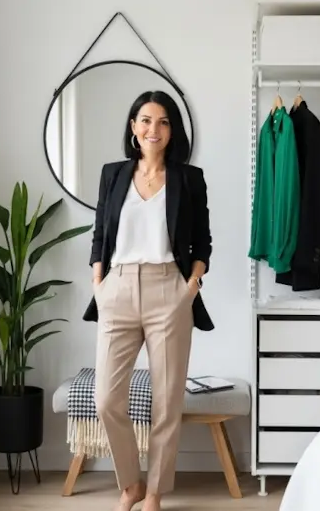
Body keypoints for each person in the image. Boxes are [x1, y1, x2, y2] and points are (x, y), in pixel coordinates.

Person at [81, 89, 213, 511]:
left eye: (162, 122)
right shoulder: (113, 174)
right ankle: (130, 484)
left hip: (168, 290)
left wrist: (189, 286)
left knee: (167, 399)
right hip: (116, 289)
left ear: (172, 131)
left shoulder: (189, 179)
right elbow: (100, 233)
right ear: (133, 128)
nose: (152, 129)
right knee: (106, 398)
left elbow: (202, 242)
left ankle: (154, 492)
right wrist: (98, 281)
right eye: (145, 120)